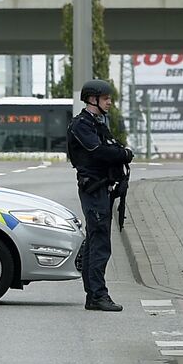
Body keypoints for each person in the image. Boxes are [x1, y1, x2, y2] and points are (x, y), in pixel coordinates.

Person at [68, 79, 131, 312]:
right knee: (100, 244)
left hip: (101, 189)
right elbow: (100, 151)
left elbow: (111, 147)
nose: (110, 102)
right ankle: (97, 295)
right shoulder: (82, 125)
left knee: (97, 241)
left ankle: (93, 295)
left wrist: (121, 153)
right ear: (93, 99)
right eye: (106, 99)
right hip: (93, 190)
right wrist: (122, 154)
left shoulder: (97, 123)